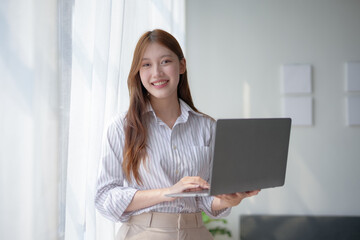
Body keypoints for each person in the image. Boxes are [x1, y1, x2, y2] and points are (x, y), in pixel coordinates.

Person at [95, 29, 260, 240]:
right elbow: (104, 197)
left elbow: (206, 200)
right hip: (144, 233)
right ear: (138, 71)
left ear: (181, 65)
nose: (157, 73)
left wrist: (229, 199)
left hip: (197, 232)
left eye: (165, 61)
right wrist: (168, 192)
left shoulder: (207, 127)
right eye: (146, 64)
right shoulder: (122, 127)